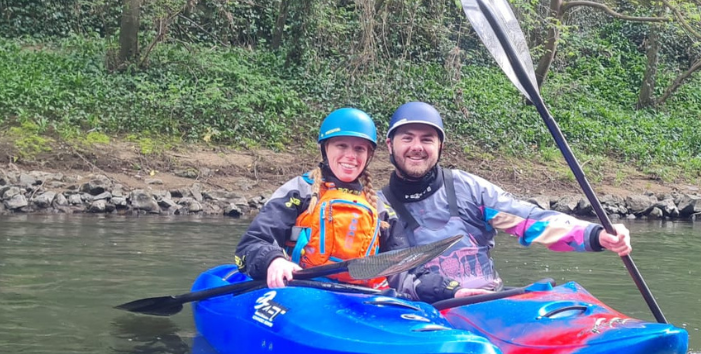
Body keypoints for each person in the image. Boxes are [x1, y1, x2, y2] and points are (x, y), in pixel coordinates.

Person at [380, 101, 632, 291]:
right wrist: (449, 292)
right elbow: (390, 276)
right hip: (424, 314)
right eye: (407, 138)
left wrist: (596, 235)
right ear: (390, 145)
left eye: (427, 139)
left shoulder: (467, 188)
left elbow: (529, 221)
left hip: (489, 303)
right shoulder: (379, 208)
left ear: (440, 147)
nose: (417, 147)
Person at [234, 107, 466, 303]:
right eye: (341, 146)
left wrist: (452, 290)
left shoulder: (380, 209)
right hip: (300, 292)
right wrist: (273, 260)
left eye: (359, 149)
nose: (350, 156)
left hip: (359, 298)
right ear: (326, 149)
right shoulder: (299, 191)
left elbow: (404, 271)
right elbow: (252, 244)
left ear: (369, 155)